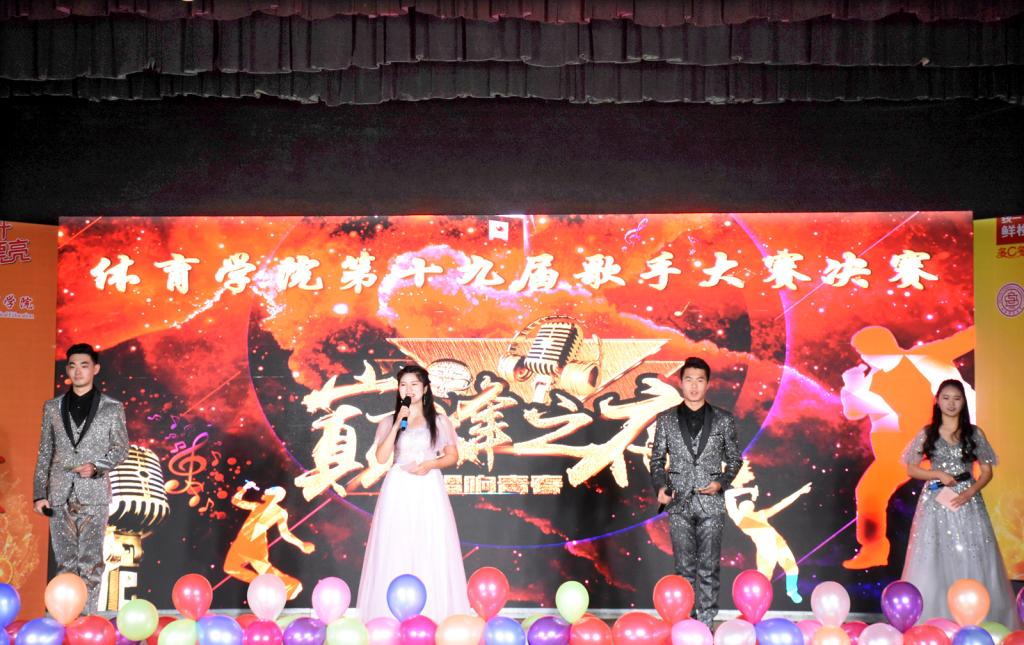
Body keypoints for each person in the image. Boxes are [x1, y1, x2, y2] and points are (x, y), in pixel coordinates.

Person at [840, 325, 975, 569]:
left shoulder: (926, 356)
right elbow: (853, 411)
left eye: (863, 352)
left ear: (875, 349)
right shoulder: (873, 379)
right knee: (870, 491)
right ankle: (874, 549)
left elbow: (965, 339)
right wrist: (852, 387)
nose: (863, 358)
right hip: (903, 452)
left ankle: (969, 545)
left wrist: (1001, 318)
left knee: (950, 493)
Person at [901, 379, 1019, 628]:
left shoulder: (974, 434)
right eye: (946, 398)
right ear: (937, 401)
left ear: (963, 402)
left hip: (968, 500)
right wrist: (937, 474)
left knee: (972, 553)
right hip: (935, 502)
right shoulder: (928, 433)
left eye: (956, 398)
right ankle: (935, 620)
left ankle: (975, 617)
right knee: (935, 555)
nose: (951, 403)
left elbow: (986, 472)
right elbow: (911, 468)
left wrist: (970, 492)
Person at [356, 365, 470, 622]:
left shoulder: (439, 421)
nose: (408, 389)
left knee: (429, 541)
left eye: (414, 384)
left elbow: (452, 456)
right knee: (395, 543)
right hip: (398, 487)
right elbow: (381, 457)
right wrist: (398, 422)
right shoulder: (389, 421)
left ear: (425, 389)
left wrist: (430, 464)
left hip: (428, 485)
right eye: (403, 385)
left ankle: (433, 614)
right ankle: (390, 615)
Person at [32, 343, 129, 614]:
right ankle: (66, 619)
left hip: (94, 495)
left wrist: (97, 467)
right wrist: (39, 494)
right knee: (65, 563)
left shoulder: (112, 408)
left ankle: (86, 621)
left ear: (95, 369)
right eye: (72, 365)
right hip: (59, 494)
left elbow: (121, 448)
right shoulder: (53, 407)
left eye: (84, 365)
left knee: (91, 563)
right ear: (67, 369)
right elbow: (45, 452)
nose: (78, 371)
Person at [651, 357, 742, 629]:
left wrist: (721, 483)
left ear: (708, 384)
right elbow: (657, 461)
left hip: (711, 503)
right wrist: (661, 487)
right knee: (683, 568)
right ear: (681, 382)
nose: (693, 386)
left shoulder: (723, 420)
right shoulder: (666, 419)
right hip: (678, 503)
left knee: (709, 567)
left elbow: (735, 460)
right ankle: (686, 623)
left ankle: (706, 623)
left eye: (699, 380)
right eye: (689, 380)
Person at [725, 460, 811, 603]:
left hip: (779, 543)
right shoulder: (738, 517)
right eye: (745, 502)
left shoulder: (761, 514)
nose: (748, 503)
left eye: (750, 502)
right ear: (739, 506)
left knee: (792, 568)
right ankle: (755, 601)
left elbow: (782, 504)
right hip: (765, 549)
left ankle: (791, 591)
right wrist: (749, 490)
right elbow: (728, 494)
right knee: (764, 577)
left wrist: (800, 492)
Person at [223, 481, 315, 599]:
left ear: (274, 495)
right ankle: (262, 582)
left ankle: (290, 586)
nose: (264, 493)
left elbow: (285, 533)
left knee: (266, 571)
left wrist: (300, 544)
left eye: (268, 491)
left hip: (256, 541)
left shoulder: (280, 512)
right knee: (229, 567)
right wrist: (244, 488)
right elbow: (235, 501)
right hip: (242, 541)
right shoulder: (256, 506)